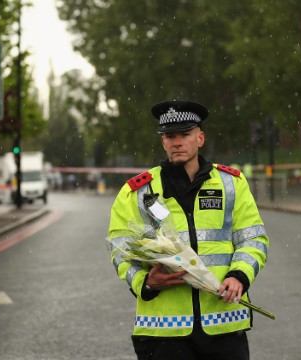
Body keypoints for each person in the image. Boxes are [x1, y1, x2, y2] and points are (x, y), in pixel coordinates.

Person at [107, 100, 269, 360]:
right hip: (164, 332)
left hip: (223, 326)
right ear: (163, 142)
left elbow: (253, 239)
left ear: (200, 138)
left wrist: (239, 276)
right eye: (170, 136)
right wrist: (145, 283)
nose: (177, 142)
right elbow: (120, 250)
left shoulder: (231, 184)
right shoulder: (136, 192)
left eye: (185, 134)